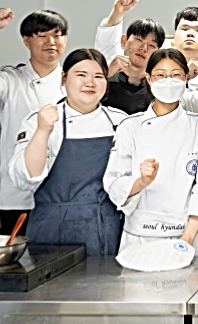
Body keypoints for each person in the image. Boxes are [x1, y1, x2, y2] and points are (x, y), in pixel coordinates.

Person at [8, 49, 127, 255]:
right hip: (51, 227)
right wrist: (43, 131)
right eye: (81, 75)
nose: (90, 83)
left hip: (106, 227)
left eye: (98, 76)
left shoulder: (121, 122)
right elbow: (25, 179)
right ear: (64, 78)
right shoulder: (41, 120)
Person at [103, 48, 198, 256]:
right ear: (149, 79)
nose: (169, 81)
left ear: (186, 78)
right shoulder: (130, 127)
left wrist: (187, 240)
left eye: (176, 75)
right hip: (141, 236)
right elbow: (114, 183)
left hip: (189, 236)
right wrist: (141, 182)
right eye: (161, 75)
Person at [0, 7, 68, 232]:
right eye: (42, 35)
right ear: (26, 41)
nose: (51, 42)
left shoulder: (75, 82)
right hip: (19, 199)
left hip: (66, 198)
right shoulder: (11, 81)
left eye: (57, 35)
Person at [90, 0, 166, 115]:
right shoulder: (106, 70)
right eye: (139, 40)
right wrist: (118, 11)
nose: (143, 48)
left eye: (151, 45)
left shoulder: (158, 86)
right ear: (124, 40)